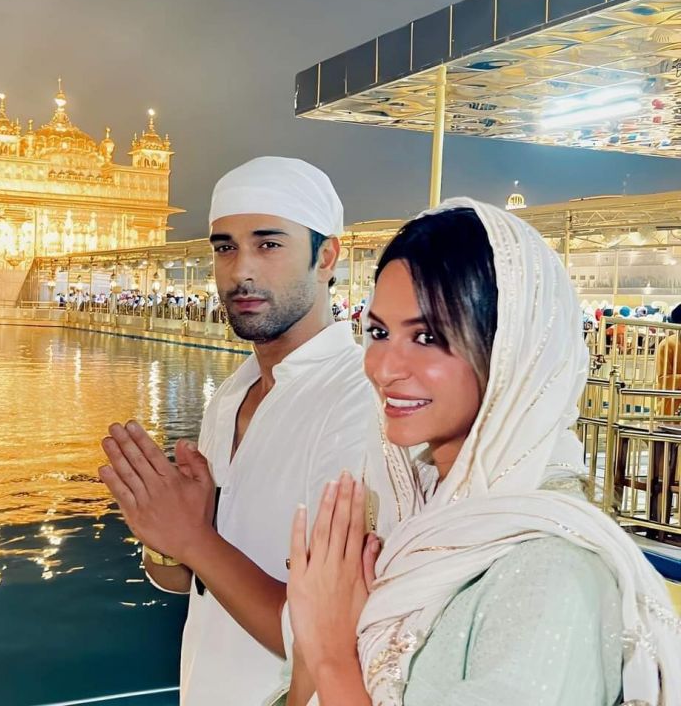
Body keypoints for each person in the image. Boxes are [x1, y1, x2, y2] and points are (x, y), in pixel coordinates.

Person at [282, 199, 680, 706]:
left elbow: (326, 660)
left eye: (427, 336)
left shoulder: (553, 575)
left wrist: (332, 655)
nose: (384, 368)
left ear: (512, 350)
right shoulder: (414, 520)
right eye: (379, 333)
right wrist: (314, 647)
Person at [98, 157, 400, 705]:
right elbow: (185, 583)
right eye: (224, 248)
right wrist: (162, 535)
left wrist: (193, 537)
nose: (240, 272)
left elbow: (327, 638)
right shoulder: (233, 394)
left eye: (269, 245)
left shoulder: (360, 402)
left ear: (326, 256)